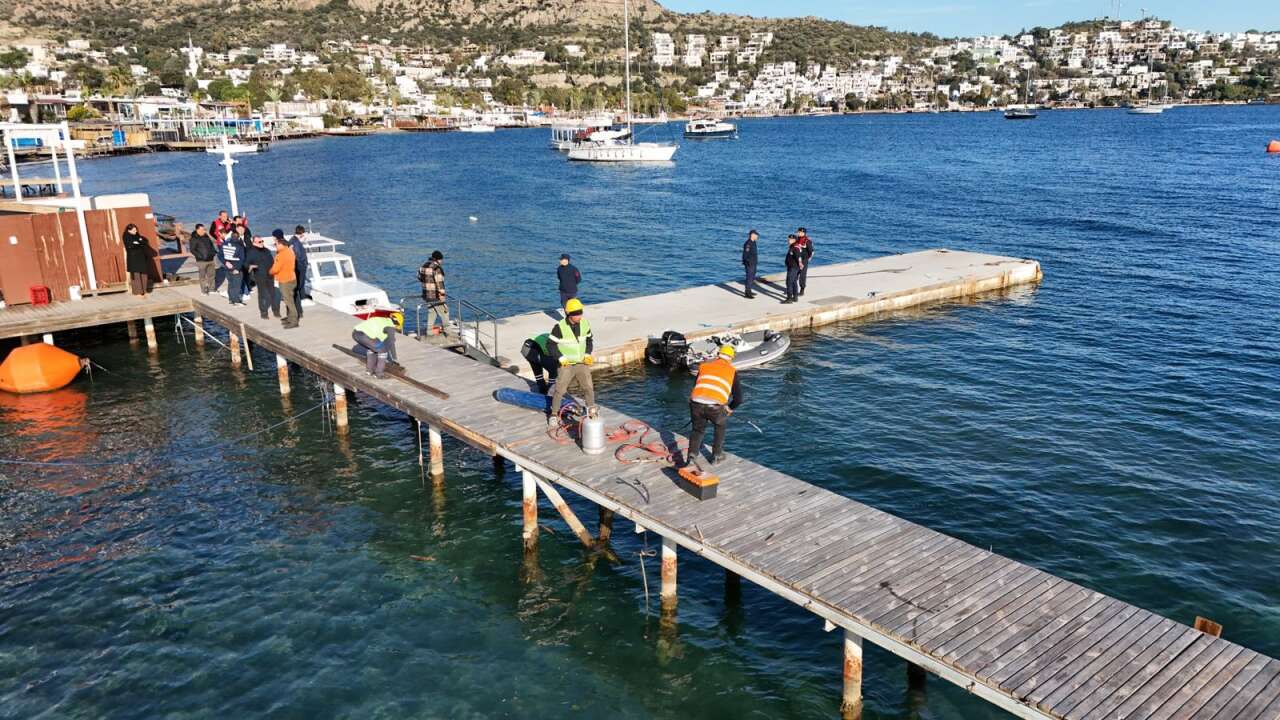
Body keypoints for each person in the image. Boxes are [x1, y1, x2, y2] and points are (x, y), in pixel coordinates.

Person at [683, 344, 743, 467]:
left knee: (697, 430)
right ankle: (716, 456)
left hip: (696, 402)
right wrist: (729, 408)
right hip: (715, 406)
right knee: (720, 426)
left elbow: (697, 385)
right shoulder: (731, 371)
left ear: (717, 355)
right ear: (731, 358)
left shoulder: (704, 366)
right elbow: (739, 399)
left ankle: (691, 456)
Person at [546, 297, 594, 425]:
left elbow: (589, 340)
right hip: (566, 364)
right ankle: (554, 414)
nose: (579, 315)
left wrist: (588, 353)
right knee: (560, 389)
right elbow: (550, 345)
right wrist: (560, 357)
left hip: (582, 363)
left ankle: (591, 410)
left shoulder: (585, 324)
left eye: (580, 312)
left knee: (588, 388)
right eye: (576, 313)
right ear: (568, 314)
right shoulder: (559, 327)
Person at [244, 234, 279, 320]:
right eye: (259, 242)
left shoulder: (266, 250)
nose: (262, 243)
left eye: (262, 241)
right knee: (262, 294)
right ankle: (263, 312)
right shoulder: (251, 252)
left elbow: (271, 260)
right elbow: (245, 264)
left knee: (273, 293)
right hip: (260, 276)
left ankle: (276, 311)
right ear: (254, 243)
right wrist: (251, 266)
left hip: (270, 275)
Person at [271, 232, 300, 329]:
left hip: (284, 280)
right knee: (290, 299)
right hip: (292, 278)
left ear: (281, 245)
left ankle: (294, 321)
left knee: (289, 301)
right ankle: (290, 317)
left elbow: (275, 269)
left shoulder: (281, 255)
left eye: (276, 244)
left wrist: (270, 272)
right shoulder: (290, 251)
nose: (275, 246)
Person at [417, 251, 448, 332]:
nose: (442, 262)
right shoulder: (436, 268)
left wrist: (427, 283)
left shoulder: (423, 266)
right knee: (445, 312)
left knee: (432, 313)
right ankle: (448, 332)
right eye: (441, 260)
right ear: (438, 259)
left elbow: (419, 277)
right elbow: (439, 283)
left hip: (426, 295)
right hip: (435, 295)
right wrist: (442, 296)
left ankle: (429, 332)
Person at [220, 227, 246, 305]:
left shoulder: (224, 244)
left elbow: (220, 255)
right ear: (238, 238)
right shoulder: (239, 246)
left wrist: (225, 262)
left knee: (231, 284)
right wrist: (237, 269)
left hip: (227, 267)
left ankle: (231, 300)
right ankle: (236, 301)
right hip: (236, 267)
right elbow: (242, 258)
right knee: (237, 285)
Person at [189, 223, 218, 295]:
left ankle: (212, 289)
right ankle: (204, 291)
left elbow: (211, 245)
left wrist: (213, 252)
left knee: (211, 275)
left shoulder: (206, 236)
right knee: (202, 276)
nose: (204, 231)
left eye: (204, 229)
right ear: (197, 230)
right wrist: (200, 256)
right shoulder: (193, 238)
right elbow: (192, 250)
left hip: (210, 259)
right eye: (202, 230)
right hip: (201, 261)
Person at [227, 223, 254, 300]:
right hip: (238, 261)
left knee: (247, 275)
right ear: (237, 229)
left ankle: (247, 289)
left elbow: (250, 247)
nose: (242, 231)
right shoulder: (233, 238)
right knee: (239, 277)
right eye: (240, 229)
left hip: (247, 259)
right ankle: (241, 292)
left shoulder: (247, 237)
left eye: (243, 229)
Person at [123, 223, 151, 296]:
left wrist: (139, 242)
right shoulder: (126, 236)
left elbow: (144, 242)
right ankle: (137, 292)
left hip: (141, 257)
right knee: (136, 275)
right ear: (129, 230)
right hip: (133, 258)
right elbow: (130, 246)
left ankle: (144, 290)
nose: (136, 231)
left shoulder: (137, 235)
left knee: (144, 273)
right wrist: (139, 243)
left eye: (136, 229)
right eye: (134, 230)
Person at [288, 225, 309, 318]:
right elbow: (298, 256)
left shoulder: (292, 240)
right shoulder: (296, 242)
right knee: (300, 283)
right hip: (300, 266)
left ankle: (302, 298)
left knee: (300, 283)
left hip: (298, 266)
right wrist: (303, 264)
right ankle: (301, 299)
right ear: (302, 233)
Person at [783, 234, 803, 304]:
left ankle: (789, 298)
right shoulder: (793, 246)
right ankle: (795, 297)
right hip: (792, 267)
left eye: (790, 239)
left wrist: (800, 264)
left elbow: (799, 257)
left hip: (793, 268)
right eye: (788, 239)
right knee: (794, 282)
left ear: (794, 240)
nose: (788, 241)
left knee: (789, 282)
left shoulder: (795, 247)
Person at [796, 227, 814, 296]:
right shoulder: (797, 239)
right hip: (797, 259)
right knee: (794, 274)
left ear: (803, 233)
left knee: (802, 275)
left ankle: (802, 289)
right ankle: (793, 288)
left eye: (799, 232)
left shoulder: (807, 241)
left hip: (803, 260)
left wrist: (808, 258)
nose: (798, 233)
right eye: (798, 232)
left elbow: (811, 251)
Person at [741, 229, 759, 299]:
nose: (757, 236)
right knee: (749, 277)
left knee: (752, 277)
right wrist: (747, 262)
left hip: (754, 263)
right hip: (750, 264)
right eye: (756, 235)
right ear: (752, 235)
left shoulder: (754, 242)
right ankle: (747, 293)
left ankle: (749, 290)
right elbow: (745, 254)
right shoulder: (748, 243)